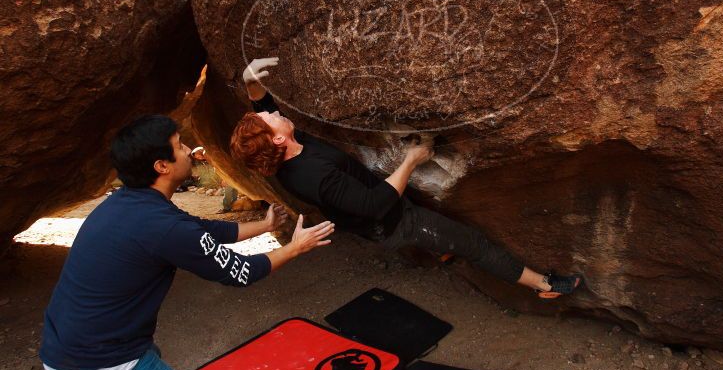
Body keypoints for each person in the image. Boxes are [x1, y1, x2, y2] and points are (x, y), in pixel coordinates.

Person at [39, 115, 335, 370]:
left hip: (73, 344)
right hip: (100, 365)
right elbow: (240, 272)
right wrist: (296, 248)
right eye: (180, 146)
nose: (189, 149)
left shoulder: (128, 203)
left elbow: (203, 230)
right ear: (162, 166)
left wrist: (265, 225)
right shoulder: (160, 226)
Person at [230, 58, 581, 299]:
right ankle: (544, 284)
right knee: (473, 244)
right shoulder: (311, 175)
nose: (275, 113)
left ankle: (440, 249)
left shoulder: (287, 150)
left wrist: (251, 82)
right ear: (277, 139)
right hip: (394, 222)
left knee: (437, 230)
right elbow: (375, 204)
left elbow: (264, 110)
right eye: (272, 119)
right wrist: (411, 160)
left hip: (381, 211)